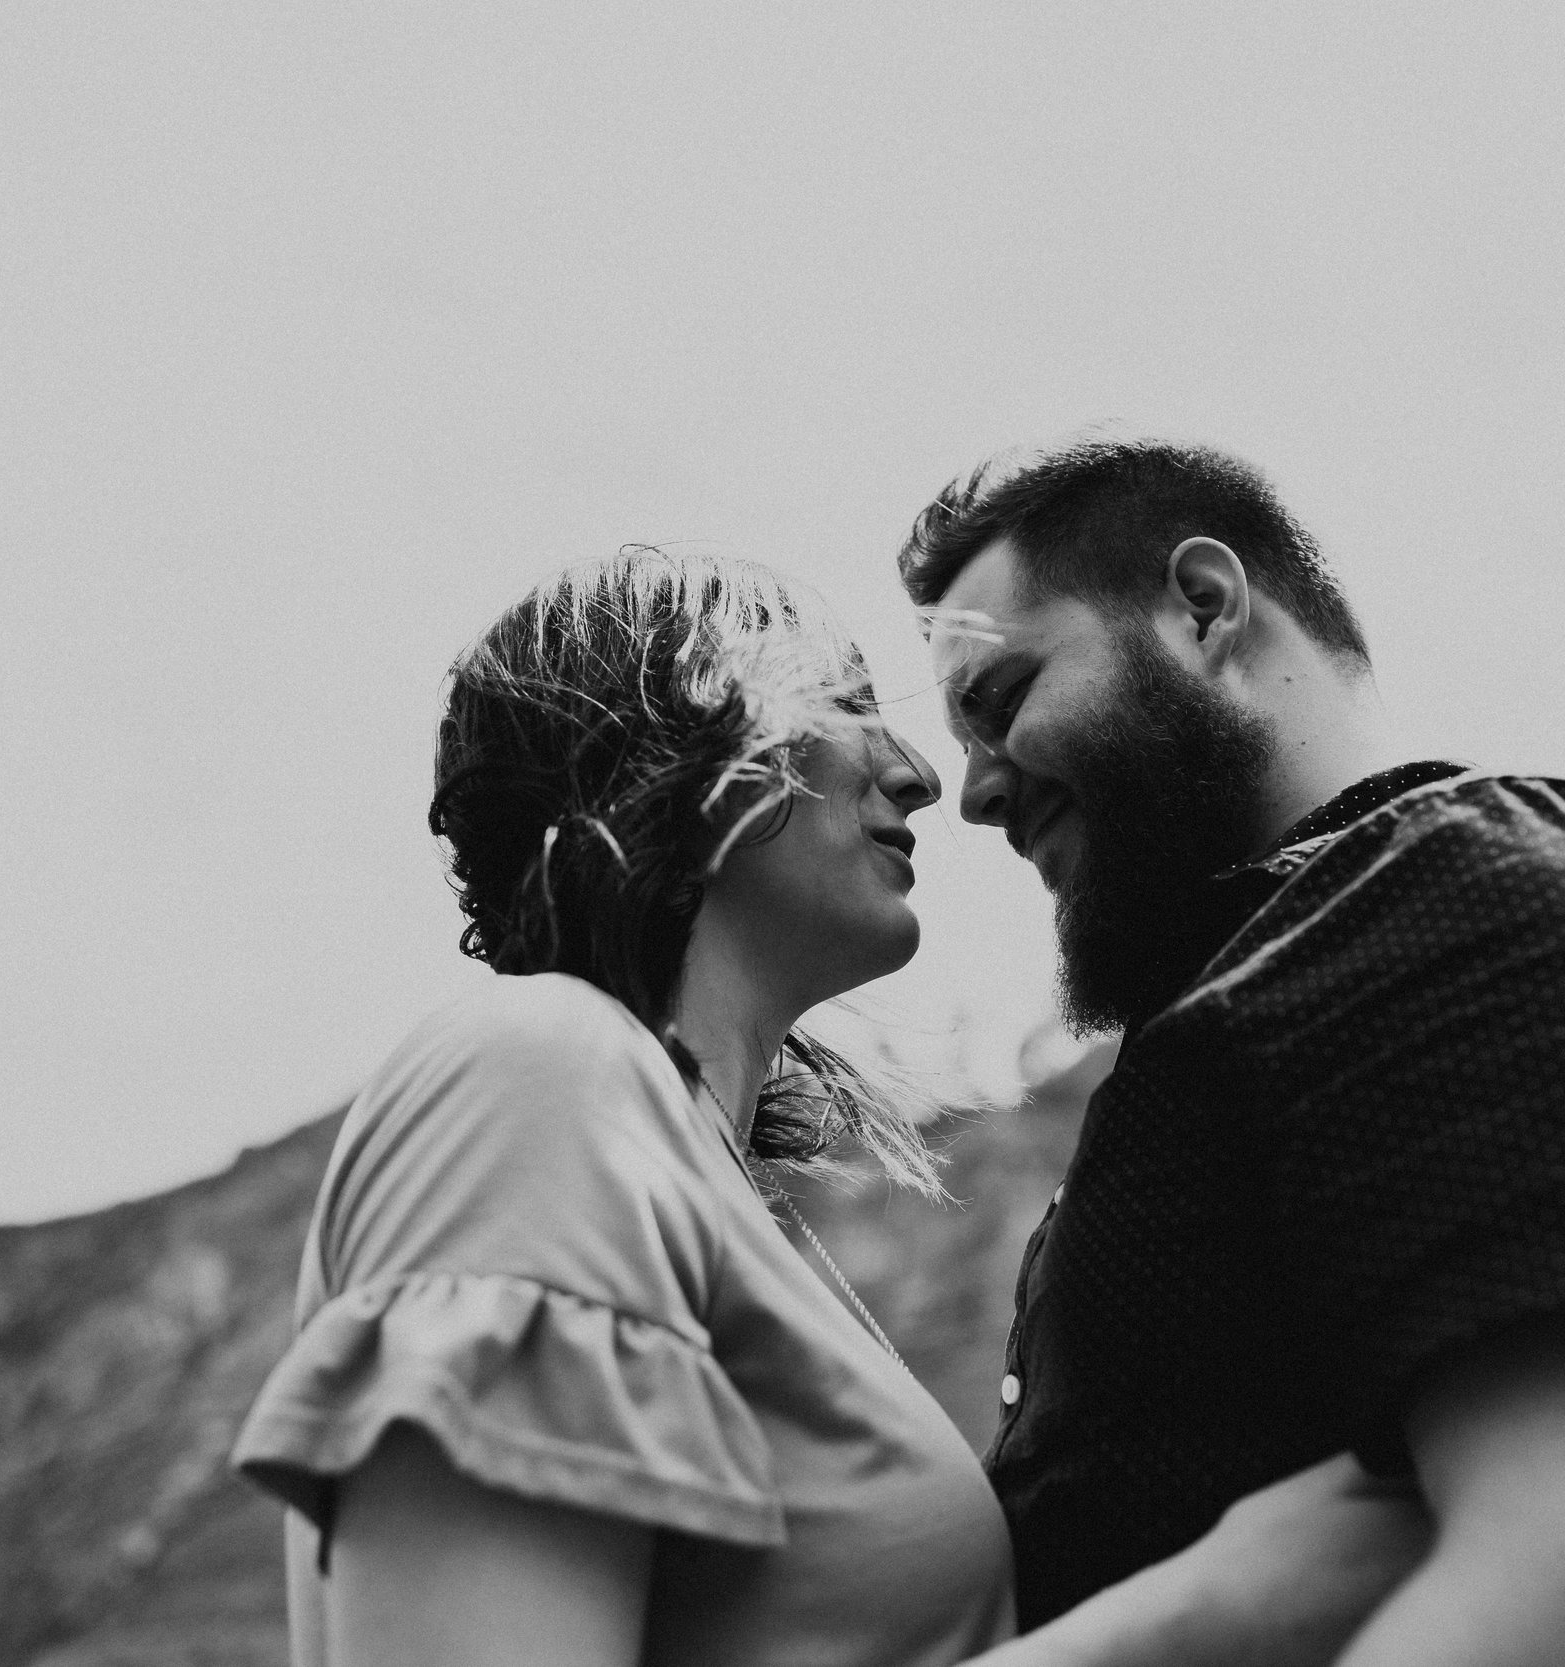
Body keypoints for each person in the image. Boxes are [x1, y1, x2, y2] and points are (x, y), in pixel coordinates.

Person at [229, 550, 1430, 1667]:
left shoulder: (710, 1190)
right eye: (848, 703)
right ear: (690, 736)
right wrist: (1213, 1603)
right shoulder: (537, 1071)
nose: (918, 772)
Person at [899, 438, 1565, 1667]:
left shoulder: (1459, 903)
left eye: (1001, 697)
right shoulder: (1309, 969)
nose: (972, 791)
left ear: (1202, 607)